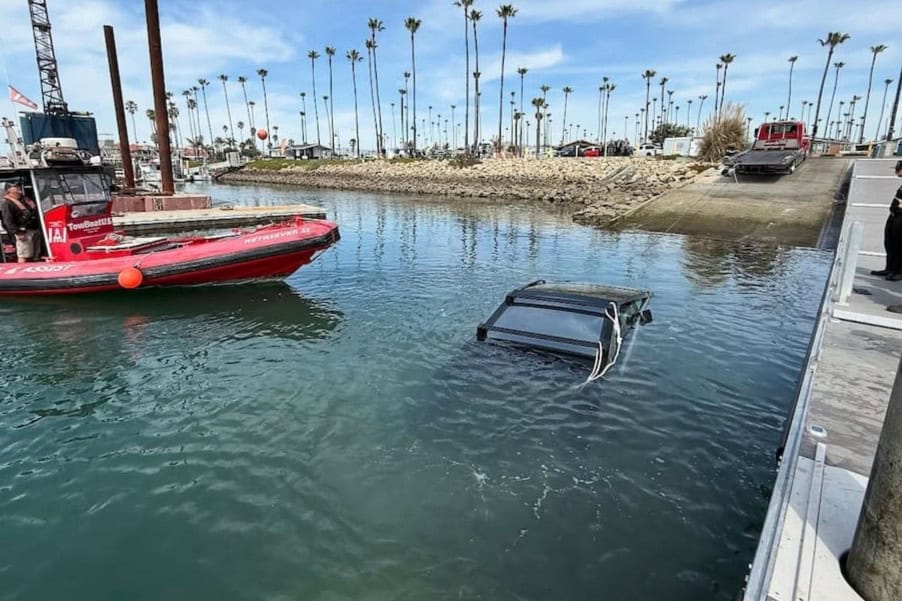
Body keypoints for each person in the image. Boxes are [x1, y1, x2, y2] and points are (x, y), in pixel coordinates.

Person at [871, 161, 902, 281]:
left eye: (898, 170)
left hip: (900, 218)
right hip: (894, 216)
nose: (896, 173)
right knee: (889, 243)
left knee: (899, 245)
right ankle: (889, 268)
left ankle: (898, 271)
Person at [0, 182, 41, 263]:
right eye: (15, 187)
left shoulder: (26, 199)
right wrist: (18, 232)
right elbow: (7, 221)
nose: (19, 188)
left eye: (18, 186)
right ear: (9, 190)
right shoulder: (7, 203)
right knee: (24, 255)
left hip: (34, 230)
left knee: (37, 255)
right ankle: (23, 273)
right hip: (23, 233)